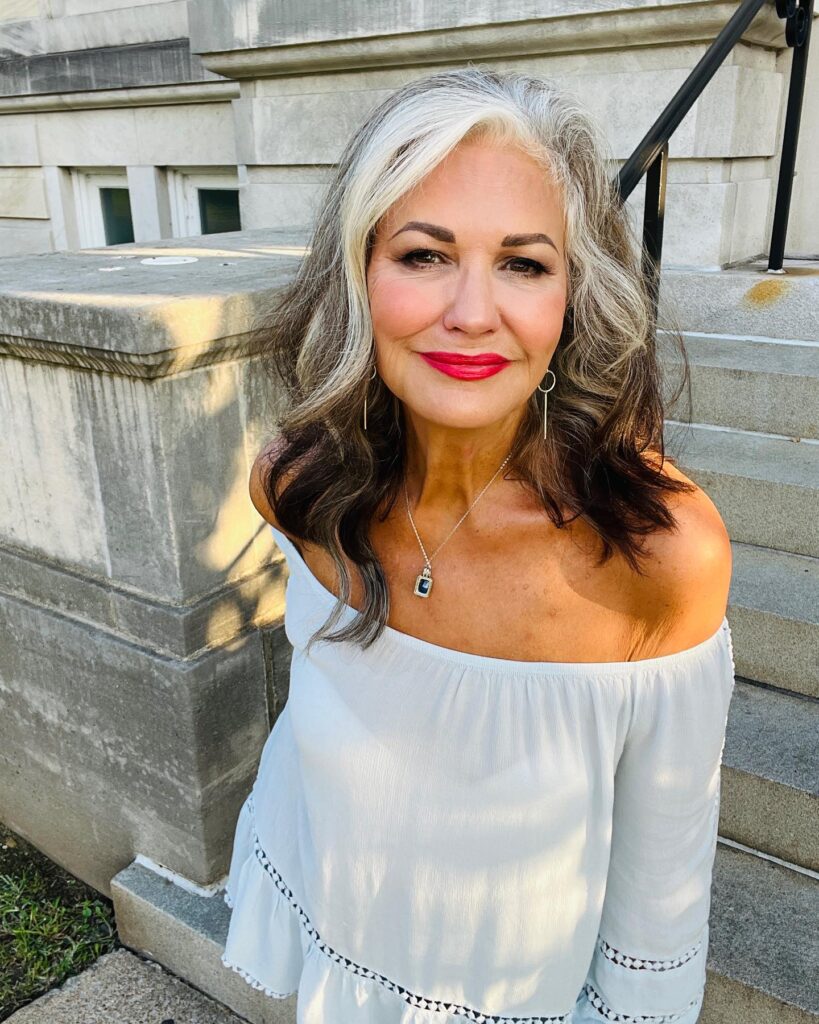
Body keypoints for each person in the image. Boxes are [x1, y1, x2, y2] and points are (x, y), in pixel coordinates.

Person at [220, 67, 736, 1023]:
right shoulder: (299, 484)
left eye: (524, 264)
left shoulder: (656, 559)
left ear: (574, 299)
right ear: (358, 270)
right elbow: (314, 721)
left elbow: (657, 902)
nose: (469, 312)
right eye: (423, 255)